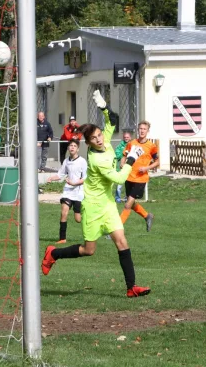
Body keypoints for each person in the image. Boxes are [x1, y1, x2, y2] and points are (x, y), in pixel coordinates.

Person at [41, 90, 151, 298]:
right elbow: (119, 179)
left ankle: (131, 287)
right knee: (88, 250)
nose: (100, 139)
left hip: (108, 205)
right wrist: (131, 159)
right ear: (89, 144)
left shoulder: (106, 141)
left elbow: (113, 121)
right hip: (92, 207)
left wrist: (104, 107)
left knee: (122, 242)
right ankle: (53, 253)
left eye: (100, 135)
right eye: (95, 138)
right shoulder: (96, 160)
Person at [119, 121, 159, 232]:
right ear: (138, 130)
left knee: (127, 205)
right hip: (129, 177)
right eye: (140, 128)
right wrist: (122, 163)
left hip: (140, 179)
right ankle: (147, 216)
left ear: (148, 131)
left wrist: (147, 168)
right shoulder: (132, 143)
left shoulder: (151, 146)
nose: (142, 131)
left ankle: (116, 229)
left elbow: (157, 161)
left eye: (144, 129)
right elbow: (124, 154)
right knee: (131, 204)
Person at [46, 138, 87, 244]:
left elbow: (85, 178)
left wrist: (74, 183)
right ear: (68, 148)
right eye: (71, 146)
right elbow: (60, 174)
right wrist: (51, 178)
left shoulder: (82, 161)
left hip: (78, 192)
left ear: (78, 149)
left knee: (78, 219)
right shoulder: (66, 161)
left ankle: (92, 225)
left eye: (74, 146)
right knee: (64, 213)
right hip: (68, 191)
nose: (72, 147)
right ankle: (62, 238)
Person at [114, 131, 132, 203]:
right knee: (119, 184)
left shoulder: (132, 145)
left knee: (128, 184)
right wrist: (123, 154)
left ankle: (127, 198)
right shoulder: (120, 146)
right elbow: (116, 155)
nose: (126, 138)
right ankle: (117, 198)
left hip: (130, 167)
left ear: (130, 137)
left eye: (127, 137)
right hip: (121, 168)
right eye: (125, 137)